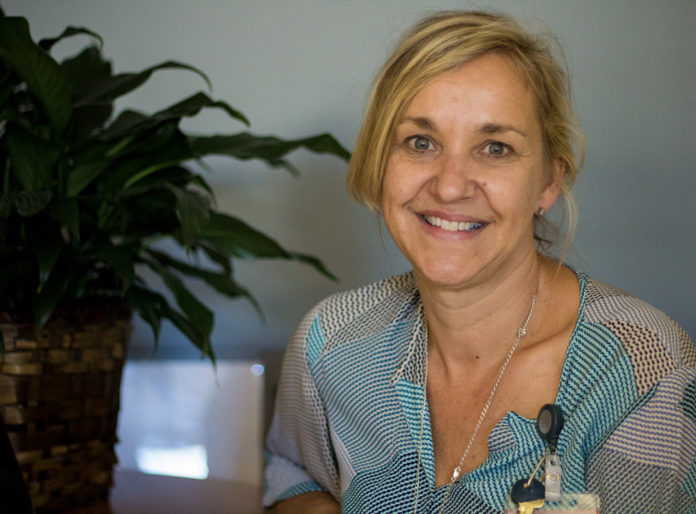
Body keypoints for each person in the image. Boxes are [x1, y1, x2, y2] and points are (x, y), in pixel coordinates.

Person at [263, 10, 696, 513]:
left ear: (549, 182)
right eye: (420, 142)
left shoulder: (642, 371)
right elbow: (292, 477)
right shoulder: (331, 341)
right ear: (382, 162)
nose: (449, 185)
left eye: (495, 148)